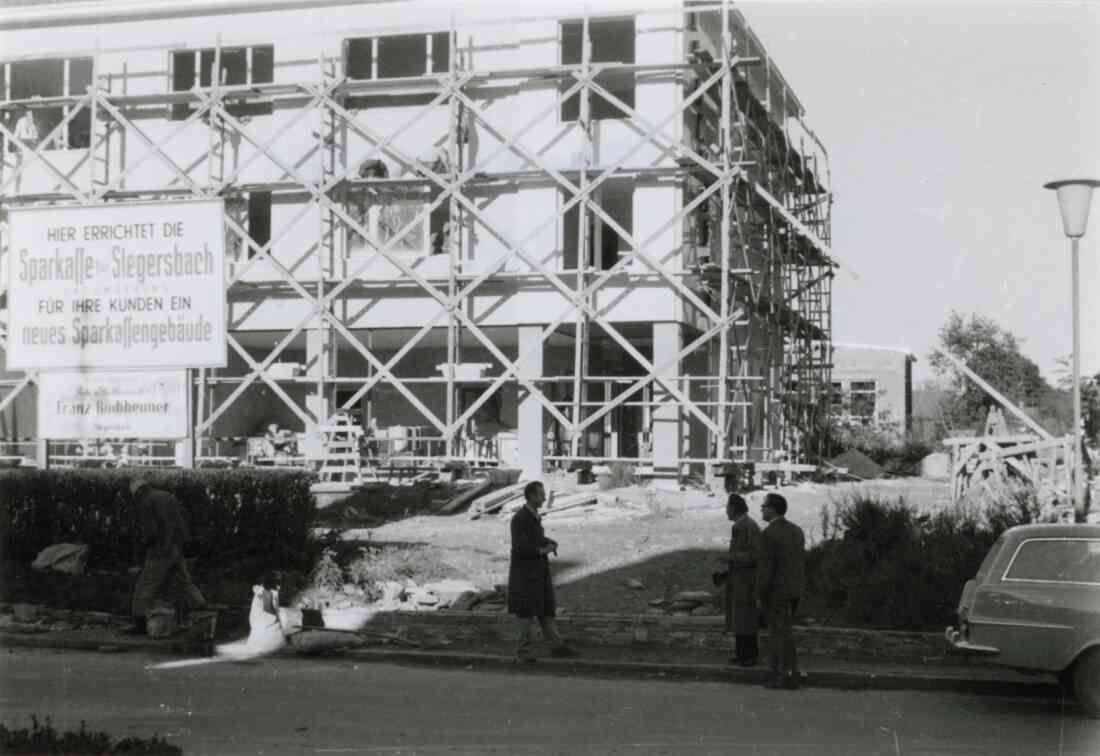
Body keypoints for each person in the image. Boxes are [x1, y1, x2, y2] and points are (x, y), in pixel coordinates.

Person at [126, 478, 207, 635]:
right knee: (185, 582)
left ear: (139, 492)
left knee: (145, 585)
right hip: (176, 548)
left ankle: (140, 622)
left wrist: (145, 545)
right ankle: (203, 608)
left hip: (160, 550)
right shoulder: (167, 496)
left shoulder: (146, 501)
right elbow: (181, 521)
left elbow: (152, 531)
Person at [507, 481, 576, 662]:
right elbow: (519, 548)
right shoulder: (520, 518)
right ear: (531, 496)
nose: (544, 498)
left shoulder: (533, 516)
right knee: (526, 614)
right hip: (526, 575)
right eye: (540, 494)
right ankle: (523, 653)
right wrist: (541, 551)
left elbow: (533, 538)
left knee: (545, 610)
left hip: (537, 573)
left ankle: (557, 646)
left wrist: (547, 541)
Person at [756, 492, 805, 689]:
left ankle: (783, 676)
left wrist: (759, 594)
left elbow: (766, 569)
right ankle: (790, 674)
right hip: (794, 590)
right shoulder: (796, 530)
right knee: (786, 633)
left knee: (778, 635)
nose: (762, 508)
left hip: (776, 592)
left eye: (764, 506)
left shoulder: (768, 534)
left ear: (773, 509)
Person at [718, 493, 760, 667]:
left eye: (727, 507)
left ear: (734, 508)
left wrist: (731, 558)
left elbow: (755, 555)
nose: (726, 511)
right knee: (740, 618)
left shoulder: (747, 526)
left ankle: (749, 656)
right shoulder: (741, 525)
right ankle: (742, 654)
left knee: (746, 618)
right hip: (739, 579)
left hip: (747, 580)